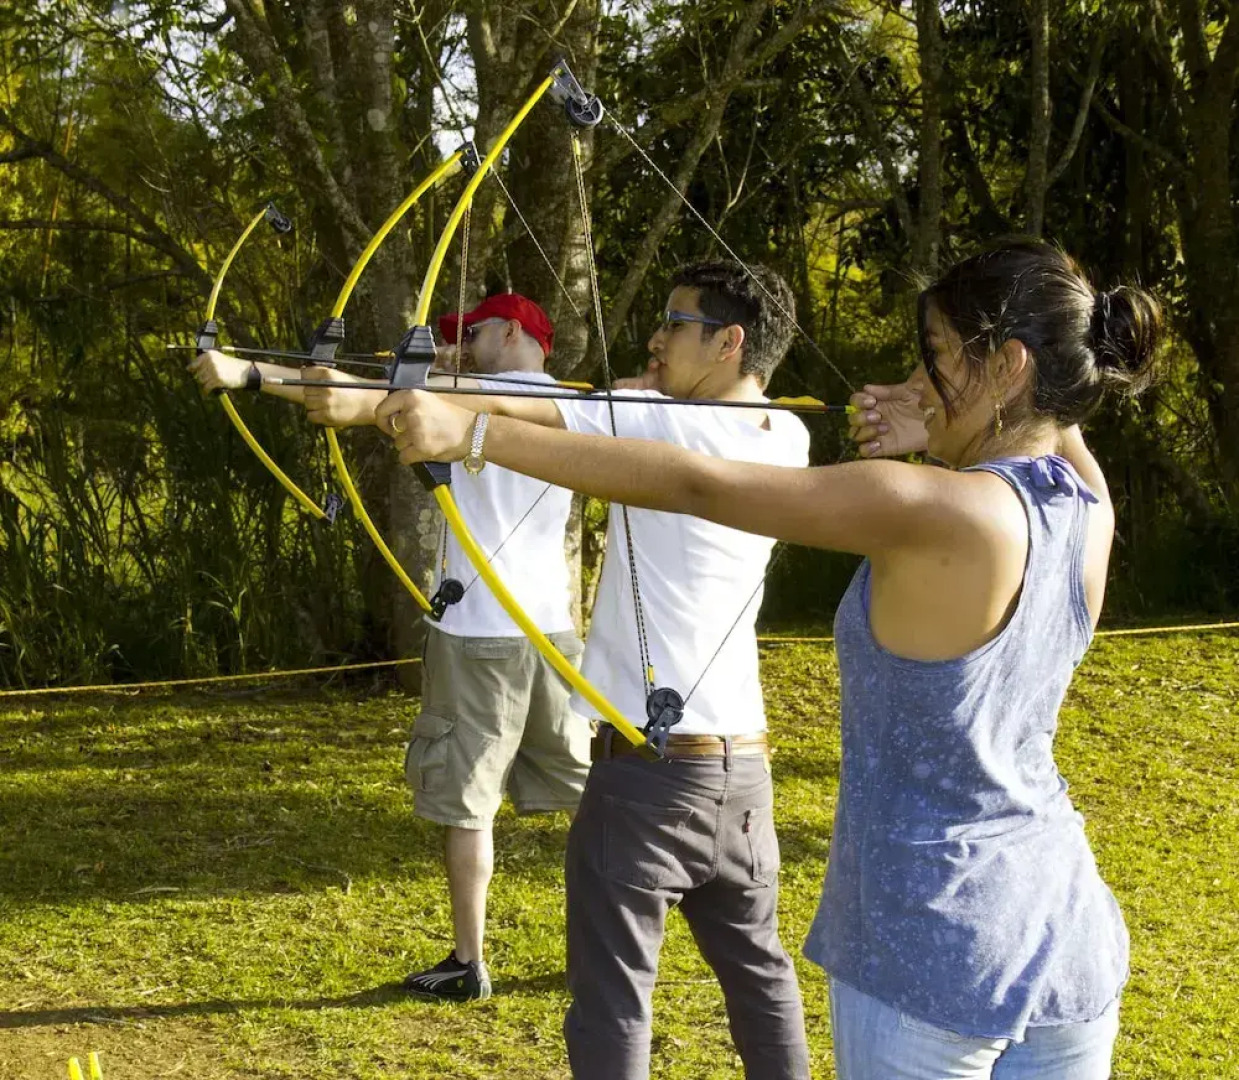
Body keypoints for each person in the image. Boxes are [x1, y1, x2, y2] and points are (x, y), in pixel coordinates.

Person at [378, 239, 1159, 1080]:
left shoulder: (928, 506)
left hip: (929, 952)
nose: (918, 380)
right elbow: (1049, 426)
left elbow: (697, 485)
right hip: (1067, 939)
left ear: (1008, 365)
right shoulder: (1087, 510)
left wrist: (475, 432)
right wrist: (946, 416)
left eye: (933, 359)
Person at [376, 261, 813, 1080]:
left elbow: (518, 405)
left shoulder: (655, 423)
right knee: (760, 978)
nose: (654, 336)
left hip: (647, 778)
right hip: (743, 775)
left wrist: (446, 417)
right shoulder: (786, 434)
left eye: (674, 324)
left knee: (613, 999)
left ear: (729, 342)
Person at [191, 294, 588, 1002]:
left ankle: (468, 962)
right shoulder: (569, 408)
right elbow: (349, 400)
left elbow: (355, 398)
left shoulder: (471, 396)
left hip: (479, 640)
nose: (457, 347)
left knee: (467, 804)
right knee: (590, 797)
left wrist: (249, 374)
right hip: (550, 632)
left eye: (468, 335)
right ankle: (607, 948)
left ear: (513, 331)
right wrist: (357, 386)